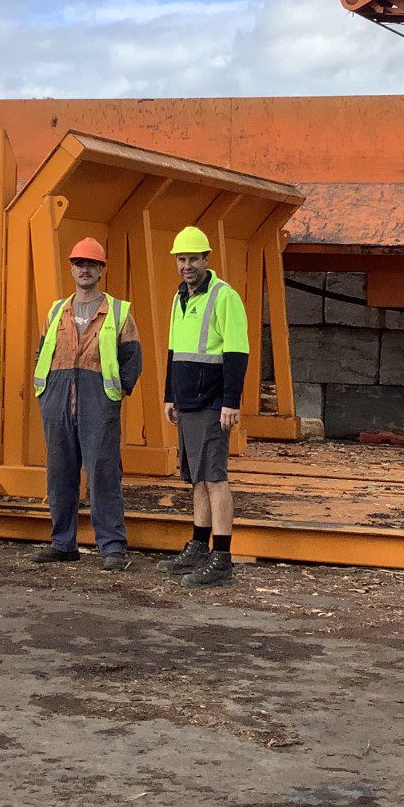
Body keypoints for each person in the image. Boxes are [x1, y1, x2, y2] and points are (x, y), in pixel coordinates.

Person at [30, 237, 143, 571]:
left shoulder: (118, 312)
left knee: (103, 472)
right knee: (60, 472)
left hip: (98, 399)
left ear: (101, 270)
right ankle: (62, 543)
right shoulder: (57, 310)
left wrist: (114, 394)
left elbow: (132, 358)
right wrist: (46, 394)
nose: (85, 269)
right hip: (58, 396)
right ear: (71, 268)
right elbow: (43, 352)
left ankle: (112, 546)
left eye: (91, 264)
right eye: (79, 263)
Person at [157, 226, 249, 588]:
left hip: (212, 402)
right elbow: (174, 350)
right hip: (187, 401)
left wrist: (231, 401)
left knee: (214, 477)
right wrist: (170, 395)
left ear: (206, 259)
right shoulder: (179, 298)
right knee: (196, 477)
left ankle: (221, 557)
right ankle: (198, 546)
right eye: (182, 259)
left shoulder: (224, 296)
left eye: (193, 258)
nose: (187, 265)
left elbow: (237, 351)